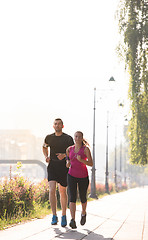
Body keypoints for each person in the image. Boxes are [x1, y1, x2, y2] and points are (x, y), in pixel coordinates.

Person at [43, 118, 74, 227]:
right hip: (52, 166)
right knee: (51, 190)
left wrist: (65, 156)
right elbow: (44, 147)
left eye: (59, 124)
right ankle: (54, 215)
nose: (57, 125)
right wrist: (46, 156)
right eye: (55, 124)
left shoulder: (68, 138)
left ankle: (64, 216)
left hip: (63, 167)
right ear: (53, 126)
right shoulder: (49, 137)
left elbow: (72, 151)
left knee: (62, 191)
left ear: (62, 126)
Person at [66, 131, 93, 229]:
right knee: (72, 197)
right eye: (76, 136)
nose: (77, 138)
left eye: (79, 137)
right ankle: (72, 220)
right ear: (74, 137)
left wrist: (81, 160)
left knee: (83, 197)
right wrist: (67, 164)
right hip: (71, 175)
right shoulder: (69, 149)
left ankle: (83, 213)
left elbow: (91, 163)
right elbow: (68, 161)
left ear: (82, 138)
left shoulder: (85, 150)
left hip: (83, 176)